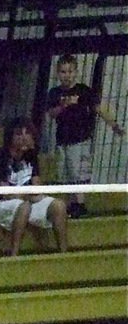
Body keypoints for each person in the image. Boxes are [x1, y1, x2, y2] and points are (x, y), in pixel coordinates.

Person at [45, 53, 125, 218]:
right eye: (63, 72)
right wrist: (64, 105)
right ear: (58, 73)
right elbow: (51, 113)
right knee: (65, 173)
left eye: (69, 72)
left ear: (76, 72)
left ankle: (80, 204)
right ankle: (70, 204)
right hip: (63, 139)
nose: (67, 76)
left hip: (80, 138)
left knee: (78, 172)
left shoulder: (84, 91)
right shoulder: (54, 93)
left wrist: (114, 125)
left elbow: (99, 108)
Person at [0, 117, 68, 257]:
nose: (24, 138)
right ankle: (14, 254)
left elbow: (37, 186)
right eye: (18, 134)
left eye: (27, 133)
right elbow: (5, 193)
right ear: (10, 137)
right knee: (25, 207)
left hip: (26, 200)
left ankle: (63, 254)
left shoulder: (31, 156)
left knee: (58, 205)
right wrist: (29, 195)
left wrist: (32, 194)